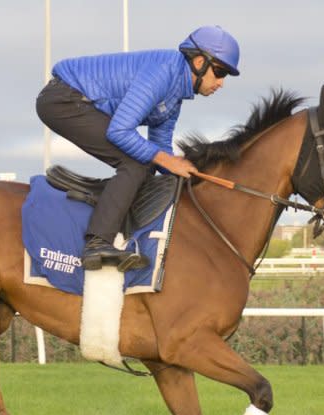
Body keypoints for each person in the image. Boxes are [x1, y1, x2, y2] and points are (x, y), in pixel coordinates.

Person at [36, 25, 240, 271]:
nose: (221, 83)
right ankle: (97, 243)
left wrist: (189, 176)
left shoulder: (176, 95)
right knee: (136, 163)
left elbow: (160, 146)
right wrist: (166, 160)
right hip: (64, 99)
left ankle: (107, 201)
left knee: (148, 161)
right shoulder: (164, 71)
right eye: (219, 72)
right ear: (199, 62)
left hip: (75, 101)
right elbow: (120, 131)